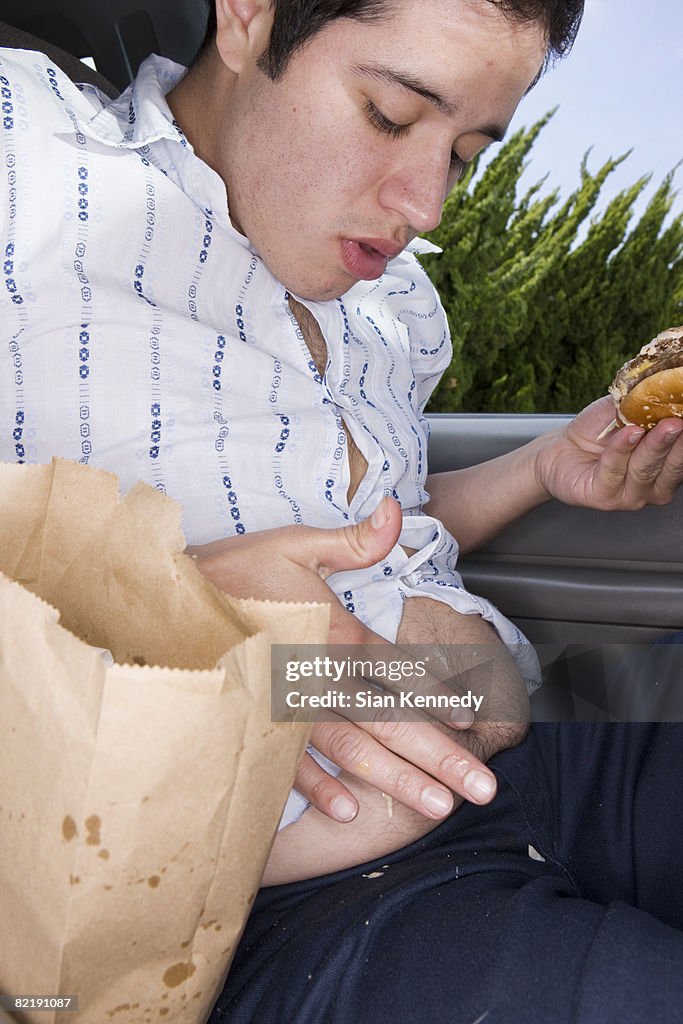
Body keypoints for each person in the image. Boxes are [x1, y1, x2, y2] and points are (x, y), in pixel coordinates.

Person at [0, 0, 682, 1019]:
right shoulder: (30, 156)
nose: (426, 203)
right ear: (245, 16)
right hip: (284, 901)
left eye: (462, 152)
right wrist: (158, 595)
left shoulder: (384, 301)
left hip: (522, 753)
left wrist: (542, 470)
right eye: (387, 112)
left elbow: (377, 537)